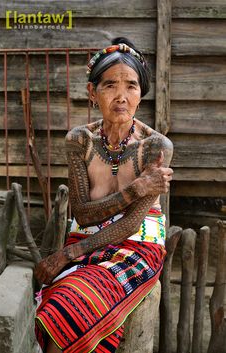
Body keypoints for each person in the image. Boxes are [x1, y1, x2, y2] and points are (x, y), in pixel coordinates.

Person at [34, 37, 173, 353]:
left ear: (141, 93)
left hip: (137, 246)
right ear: (92, 93)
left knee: (73, 306)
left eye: (132, 86)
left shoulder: (156, 146)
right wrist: (138, 188)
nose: (122, 97)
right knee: (57, 305)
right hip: (84, 238)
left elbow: (130, 224)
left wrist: (66, 255)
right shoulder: (79, 140)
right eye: (110, 85)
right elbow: (82, 213)